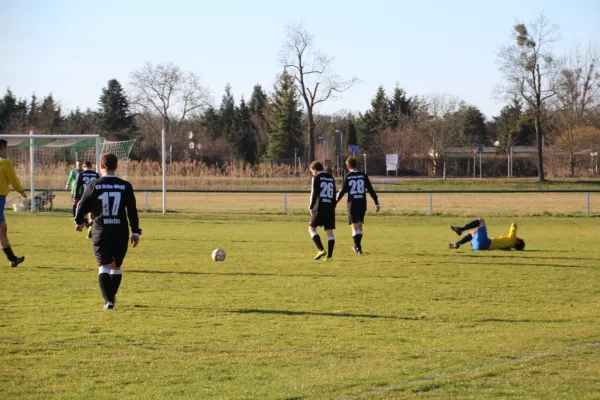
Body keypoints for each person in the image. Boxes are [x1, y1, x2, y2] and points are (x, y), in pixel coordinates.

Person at [74, 153, 141, 310]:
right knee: (116, 266)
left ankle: (109, 301)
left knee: (104, 266)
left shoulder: (94, 185)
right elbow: (132, 211)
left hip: (101, 231)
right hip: (120, 231)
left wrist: (78, 222)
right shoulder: (125, 186)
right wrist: (136, 232)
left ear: (101, 166)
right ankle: (110, 298)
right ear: (116, 166)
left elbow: (81, 205)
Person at [336, 157, 380, 255]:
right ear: (356, 165)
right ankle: (357, 246)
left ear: (348, 166)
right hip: (362, 203)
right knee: (360, 226)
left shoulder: (348, 176)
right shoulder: (363, 175)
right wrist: (377, 202)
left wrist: (335, 202)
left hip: (353, 204)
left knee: (354, 227)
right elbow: (371, 189)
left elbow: (343, 191)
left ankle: (358, 248)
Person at [0, 139, 27, 267]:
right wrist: (21, 191)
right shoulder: (5, 162)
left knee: (2, 228)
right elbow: (13, 180)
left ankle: (12, 258)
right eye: (6, 149)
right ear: (2, 149)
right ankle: (12, 258)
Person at [308, 161, 336, 261]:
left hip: (320, 207)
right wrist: (333, 206)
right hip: (330, 207)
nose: (312, 173)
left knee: (311, 228)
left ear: (314, 169)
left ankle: (321, 250)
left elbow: (315, 193)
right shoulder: (331, 178)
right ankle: (330, 256)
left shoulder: (317, 178)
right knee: (330, 232)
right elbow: (333, 194)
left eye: (312, 171)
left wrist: (311, 207)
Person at [448, 218, 525, 251]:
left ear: (517, 242)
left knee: (481, 220)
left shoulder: (512, 239)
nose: (516, 237)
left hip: (484, 243)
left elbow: (513, 225)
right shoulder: (509, 247)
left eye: (517, 238)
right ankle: (457, 243)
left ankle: (460, 229)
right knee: (472, 232)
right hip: (478, 247)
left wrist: (514, 224)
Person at [73, 161, 100, 238]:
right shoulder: (96, 174)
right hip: (95, 196)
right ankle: (91, 224)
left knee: (81, 211)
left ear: (83, 167)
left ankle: (85, 225)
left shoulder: (81, 174)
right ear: (91, 166)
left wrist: (75, 197)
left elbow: (77, 186)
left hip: (85, 195)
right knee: (92, 212)